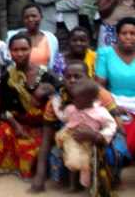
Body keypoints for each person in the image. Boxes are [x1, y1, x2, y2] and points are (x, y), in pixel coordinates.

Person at [29, 61, 128, 194]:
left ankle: (112, 178)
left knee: (115, 151)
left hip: (102, 137)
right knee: (58, 159)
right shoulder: (56, 102)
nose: (72, 80)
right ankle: (75, 183)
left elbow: (117, 125)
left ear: (88, 78)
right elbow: (47, 139)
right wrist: (39, 177)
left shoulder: (101, 95)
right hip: (73, 140)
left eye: (77, 76)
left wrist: (96, 136)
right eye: (68, 77)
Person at [0, 33, 62, 181]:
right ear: (10, 51)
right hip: (18, 122)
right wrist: (15, 125)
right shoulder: (6, 77)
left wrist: (46, 125)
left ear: (31, 50)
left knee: (37, 143)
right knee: (3, 132)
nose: (20, 54)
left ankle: (32, 171)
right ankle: (8, 167)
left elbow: (63, 99)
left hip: (43, 124)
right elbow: (0, 107)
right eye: (15, 50)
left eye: (24, 49)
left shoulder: (48, 75)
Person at [54, 79, 117, 193]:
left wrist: (98, 136)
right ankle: (73, 186)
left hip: (88, 145)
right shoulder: (71, 109)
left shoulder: (100, 112)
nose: (74, 102)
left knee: (86, 169)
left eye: (78, 100)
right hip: (72, 143)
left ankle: (87, 190)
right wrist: (55, 103)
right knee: (72, 164)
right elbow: (64, 117)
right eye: (74, 99)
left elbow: (111, 126)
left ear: (90, 100)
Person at [96, 17, 135, 156]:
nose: (128, 37)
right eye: (124, 33)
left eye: (133, 33)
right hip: (113, 101)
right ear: (117, 35)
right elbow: (100, 85)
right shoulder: (105, 53)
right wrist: (111, 104)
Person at [7, 3, 59, 69]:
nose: (30, 19)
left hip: (44, 78)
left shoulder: (51, 39)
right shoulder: (11, 37)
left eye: (34, 16)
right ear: (23, 19)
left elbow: (54, 63)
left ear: (41, 17)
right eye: (26, 17)